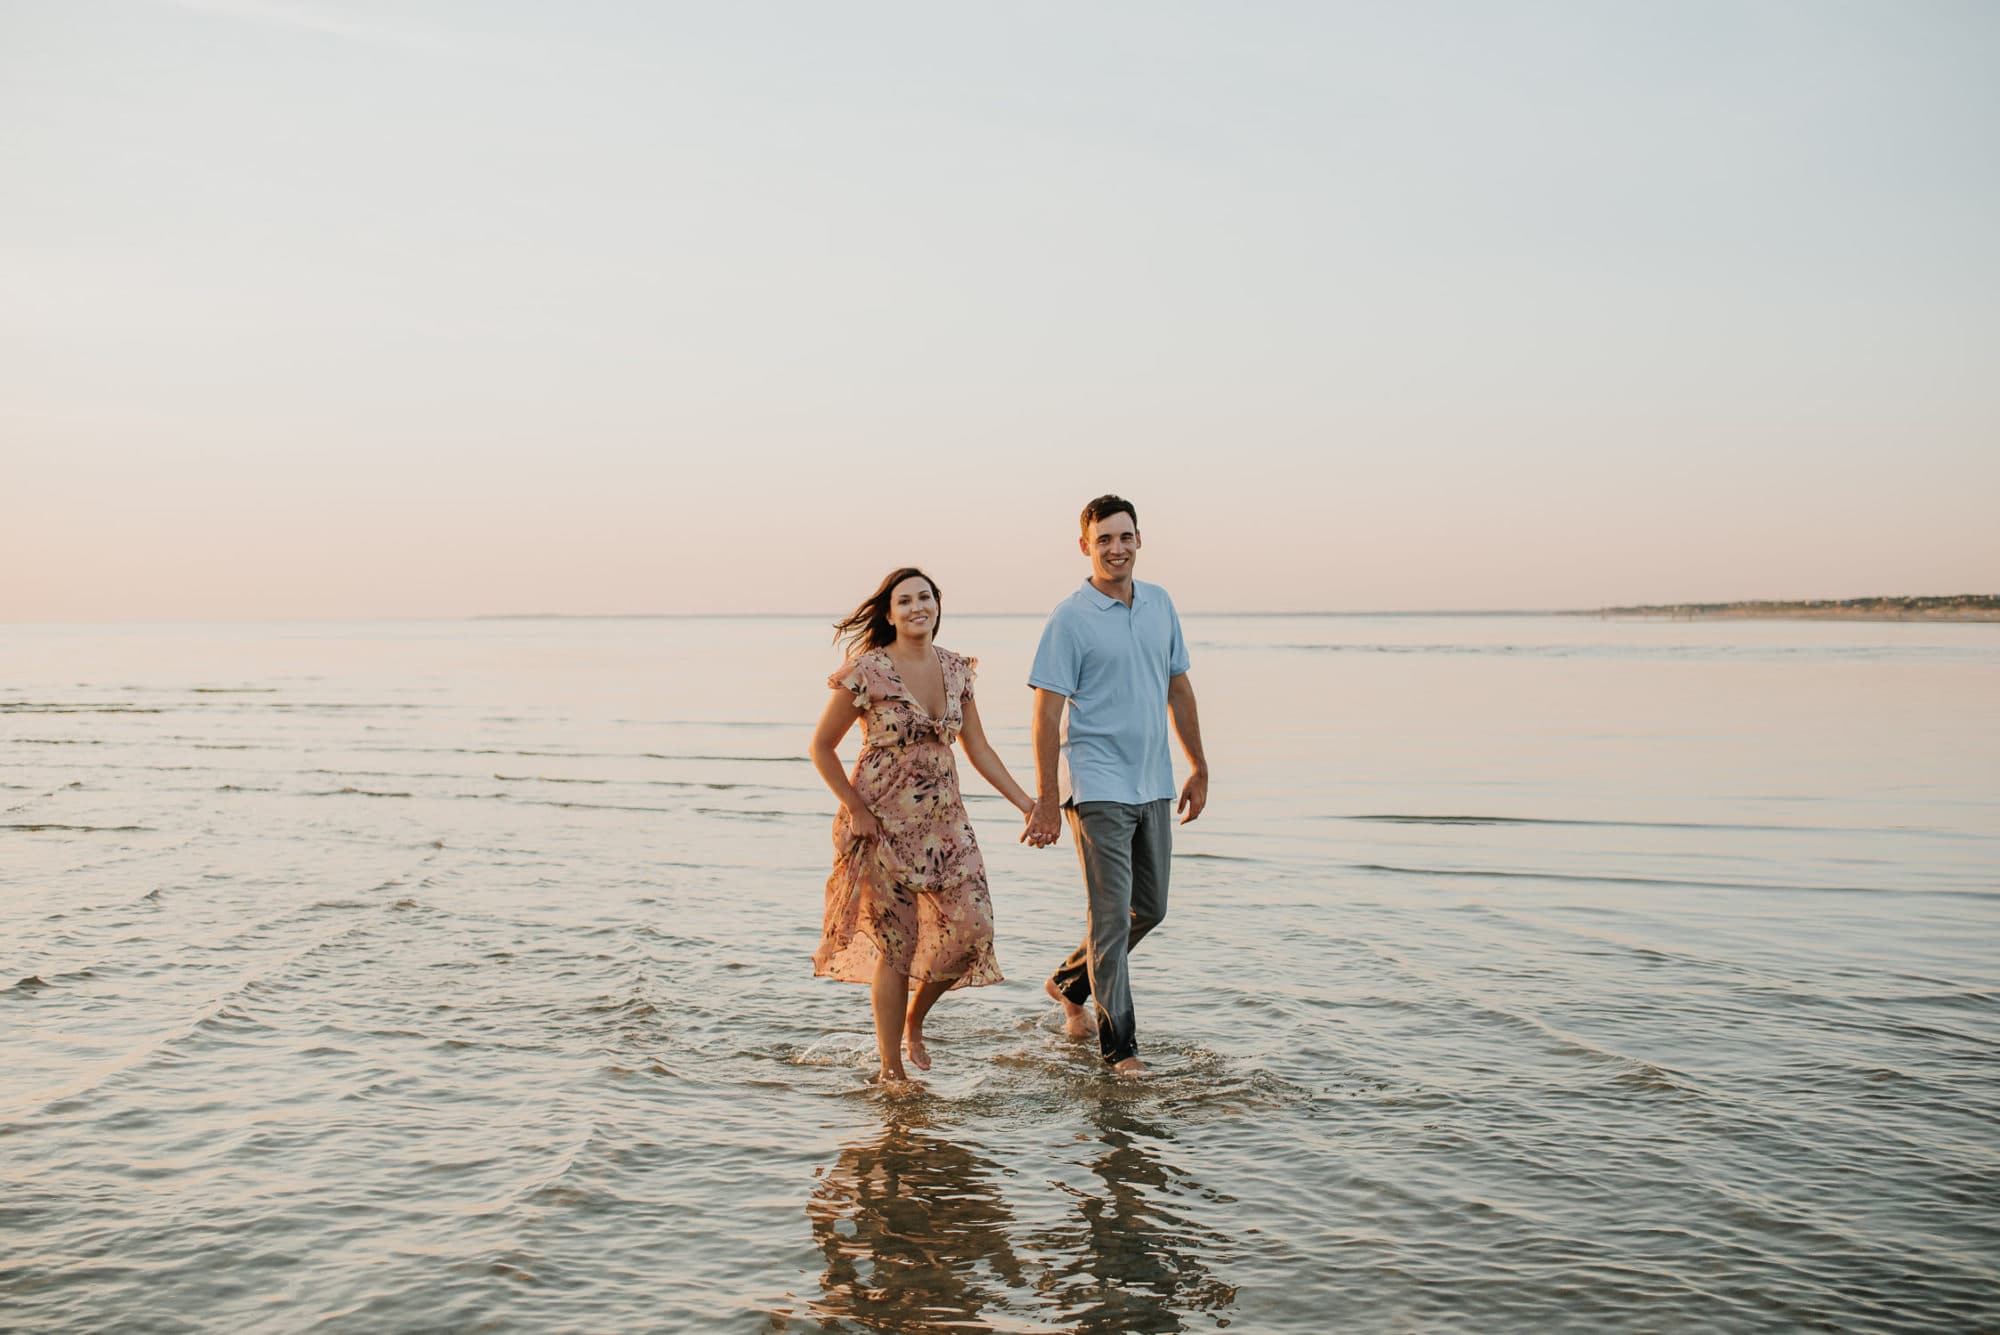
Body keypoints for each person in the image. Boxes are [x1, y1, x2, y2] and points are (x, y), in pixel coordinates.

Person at [810, 567, 1036, 1085]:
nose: (917, 607)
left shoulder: (956, 669)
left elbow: (979, 749)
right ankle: (891, 1070)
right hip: (879, 825)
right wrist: (855, 809)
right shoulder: (867, 671)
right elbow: (821, 747)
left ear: (937, 605)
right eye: (905, 600)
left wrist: (1026, 802)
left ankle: (915, 1020)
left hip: (945, 825)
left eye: (925, 598)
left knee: (973, 929)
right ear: (890, 614)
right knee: (897, 948)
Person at [1023, 495, 1209, 1076]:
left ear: (1139, 540)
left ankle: (1069, 983)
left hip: (1153, 780)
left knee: (1149, 908)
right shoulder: (1069, 618)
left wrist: (1199, 766)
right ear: (1085, 546)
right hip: (1096, 783)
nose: (1116, 548)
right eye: (1103, 539)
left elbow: (1178, 688)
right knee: (1108, 917)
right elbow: (1046, 714)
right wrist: (1046, 799)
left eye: (1125, 536)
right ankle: (1120, 1051)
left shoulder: (1160, 604)